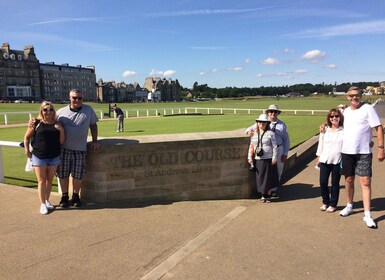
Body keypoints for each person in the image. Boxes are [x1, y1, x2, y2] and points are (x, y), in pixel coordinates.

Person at [339, 86, 384, 228]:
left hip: (364, 151)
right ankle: (349, 205)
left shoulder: (368, 109)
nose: (354, 98)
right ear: (347, 97)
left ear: (361, 95)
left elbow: (379, 128)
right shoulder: (345, 111)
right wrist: (323, 126)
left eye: (357, 95)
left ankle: (367, 214)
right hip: (347, 151)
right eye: (351, 96)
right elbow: (335, 124)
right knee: (348, 179)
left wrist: (381, 148)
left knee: (365, 182)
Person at [56, 89, 101, 207]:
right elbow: (49, 123)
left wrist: (95, 140)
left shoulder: (88, 110)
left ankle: (76, 196)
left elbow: (93, 125)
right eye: (74, 98)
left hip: (80, 149)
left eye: (79, 98)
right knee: (63, 174)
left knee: (78, 175)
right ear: (70, 98)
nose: (77, 100)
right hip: (63, 149)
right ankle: (64, 196)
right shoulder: (60, 112)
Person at [24, 101, 65, 215]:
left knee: (49, 180)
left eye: (50, 109)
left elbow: (61, 141)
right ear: (41, 111)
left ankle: (47, 201)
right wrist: (27, 151)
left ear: (53, 112)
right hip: (39, 156)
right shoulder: (36, 123)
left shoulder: (57, 124)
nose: (48, 111)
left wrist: (61, 130)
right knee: (41, 181)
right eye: (45, 109)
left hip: (54, 156)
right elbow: (26, 138)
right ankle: (42, 204)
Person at [245, 104, 290, 199]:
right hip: (266, 152)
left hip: (279, 148)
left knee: (278, 170)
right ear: (268, 113)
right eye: (271, 111)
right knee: (268, 172)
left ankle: (273, 190)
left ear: (278, 113)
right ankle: (267, 191)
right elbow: (250, 128)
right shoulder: (263, 121)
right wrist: (249, 131)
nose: (273, 113)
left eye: (275, 111)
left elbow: (286, 140)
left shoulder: (282, 125)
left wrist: (285, 153)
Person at [316, 108, 344, 213]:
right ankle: (325, 202)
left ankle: (333, 204)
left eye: (336, 116)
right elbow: (321, 144)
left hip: (337, 160)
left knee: (335, 183)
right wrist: (319, 157)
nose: (334, 118)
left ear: (340, 117)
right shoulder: (325, 130)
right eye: (332, 116)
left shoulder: (344, 130)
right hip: (324, 160)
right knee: (323, 182)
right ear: (329, 118)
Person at [247, 114, 278, 202]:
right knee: (260, 177)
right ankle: (263, 195)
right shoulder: (254, 134)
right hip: (258, 158)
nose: (262, 124)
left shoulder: (270, 133)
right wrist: (249, 157)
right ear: (257, 123)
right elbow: (251, 146)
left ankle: (267, 195)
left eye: (264, 122)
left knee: (267, 177)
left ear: (267, 123)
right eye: (260, 122)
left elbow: (275, 147)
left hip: (268, 158)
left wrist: (274, 158)